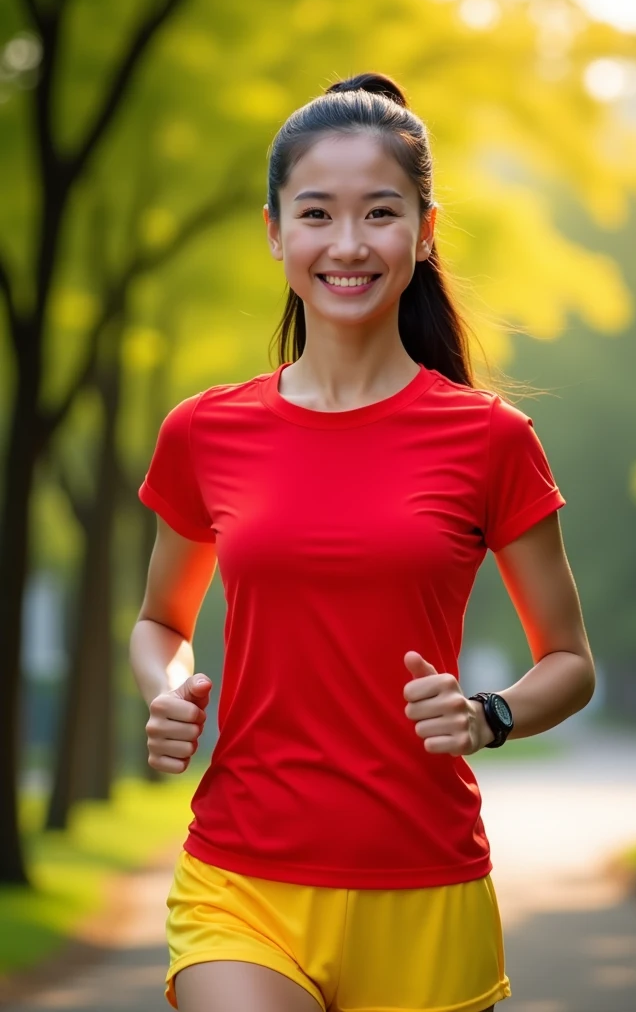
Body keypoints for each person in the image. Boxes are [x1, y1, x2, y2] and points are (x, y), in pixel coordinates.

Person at [130, 72, 596, 1012]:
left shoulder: (491, 440)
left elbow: (570, 661)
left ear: (423, 232)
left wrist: (488, 715)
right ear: (275, 231)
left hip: (425, 886)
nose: (347, 244)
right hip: (242, 880)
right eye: (317, 214)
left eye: (380, 213)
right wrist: (170, 690)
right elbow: (158, 621)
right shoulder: (202, 433)